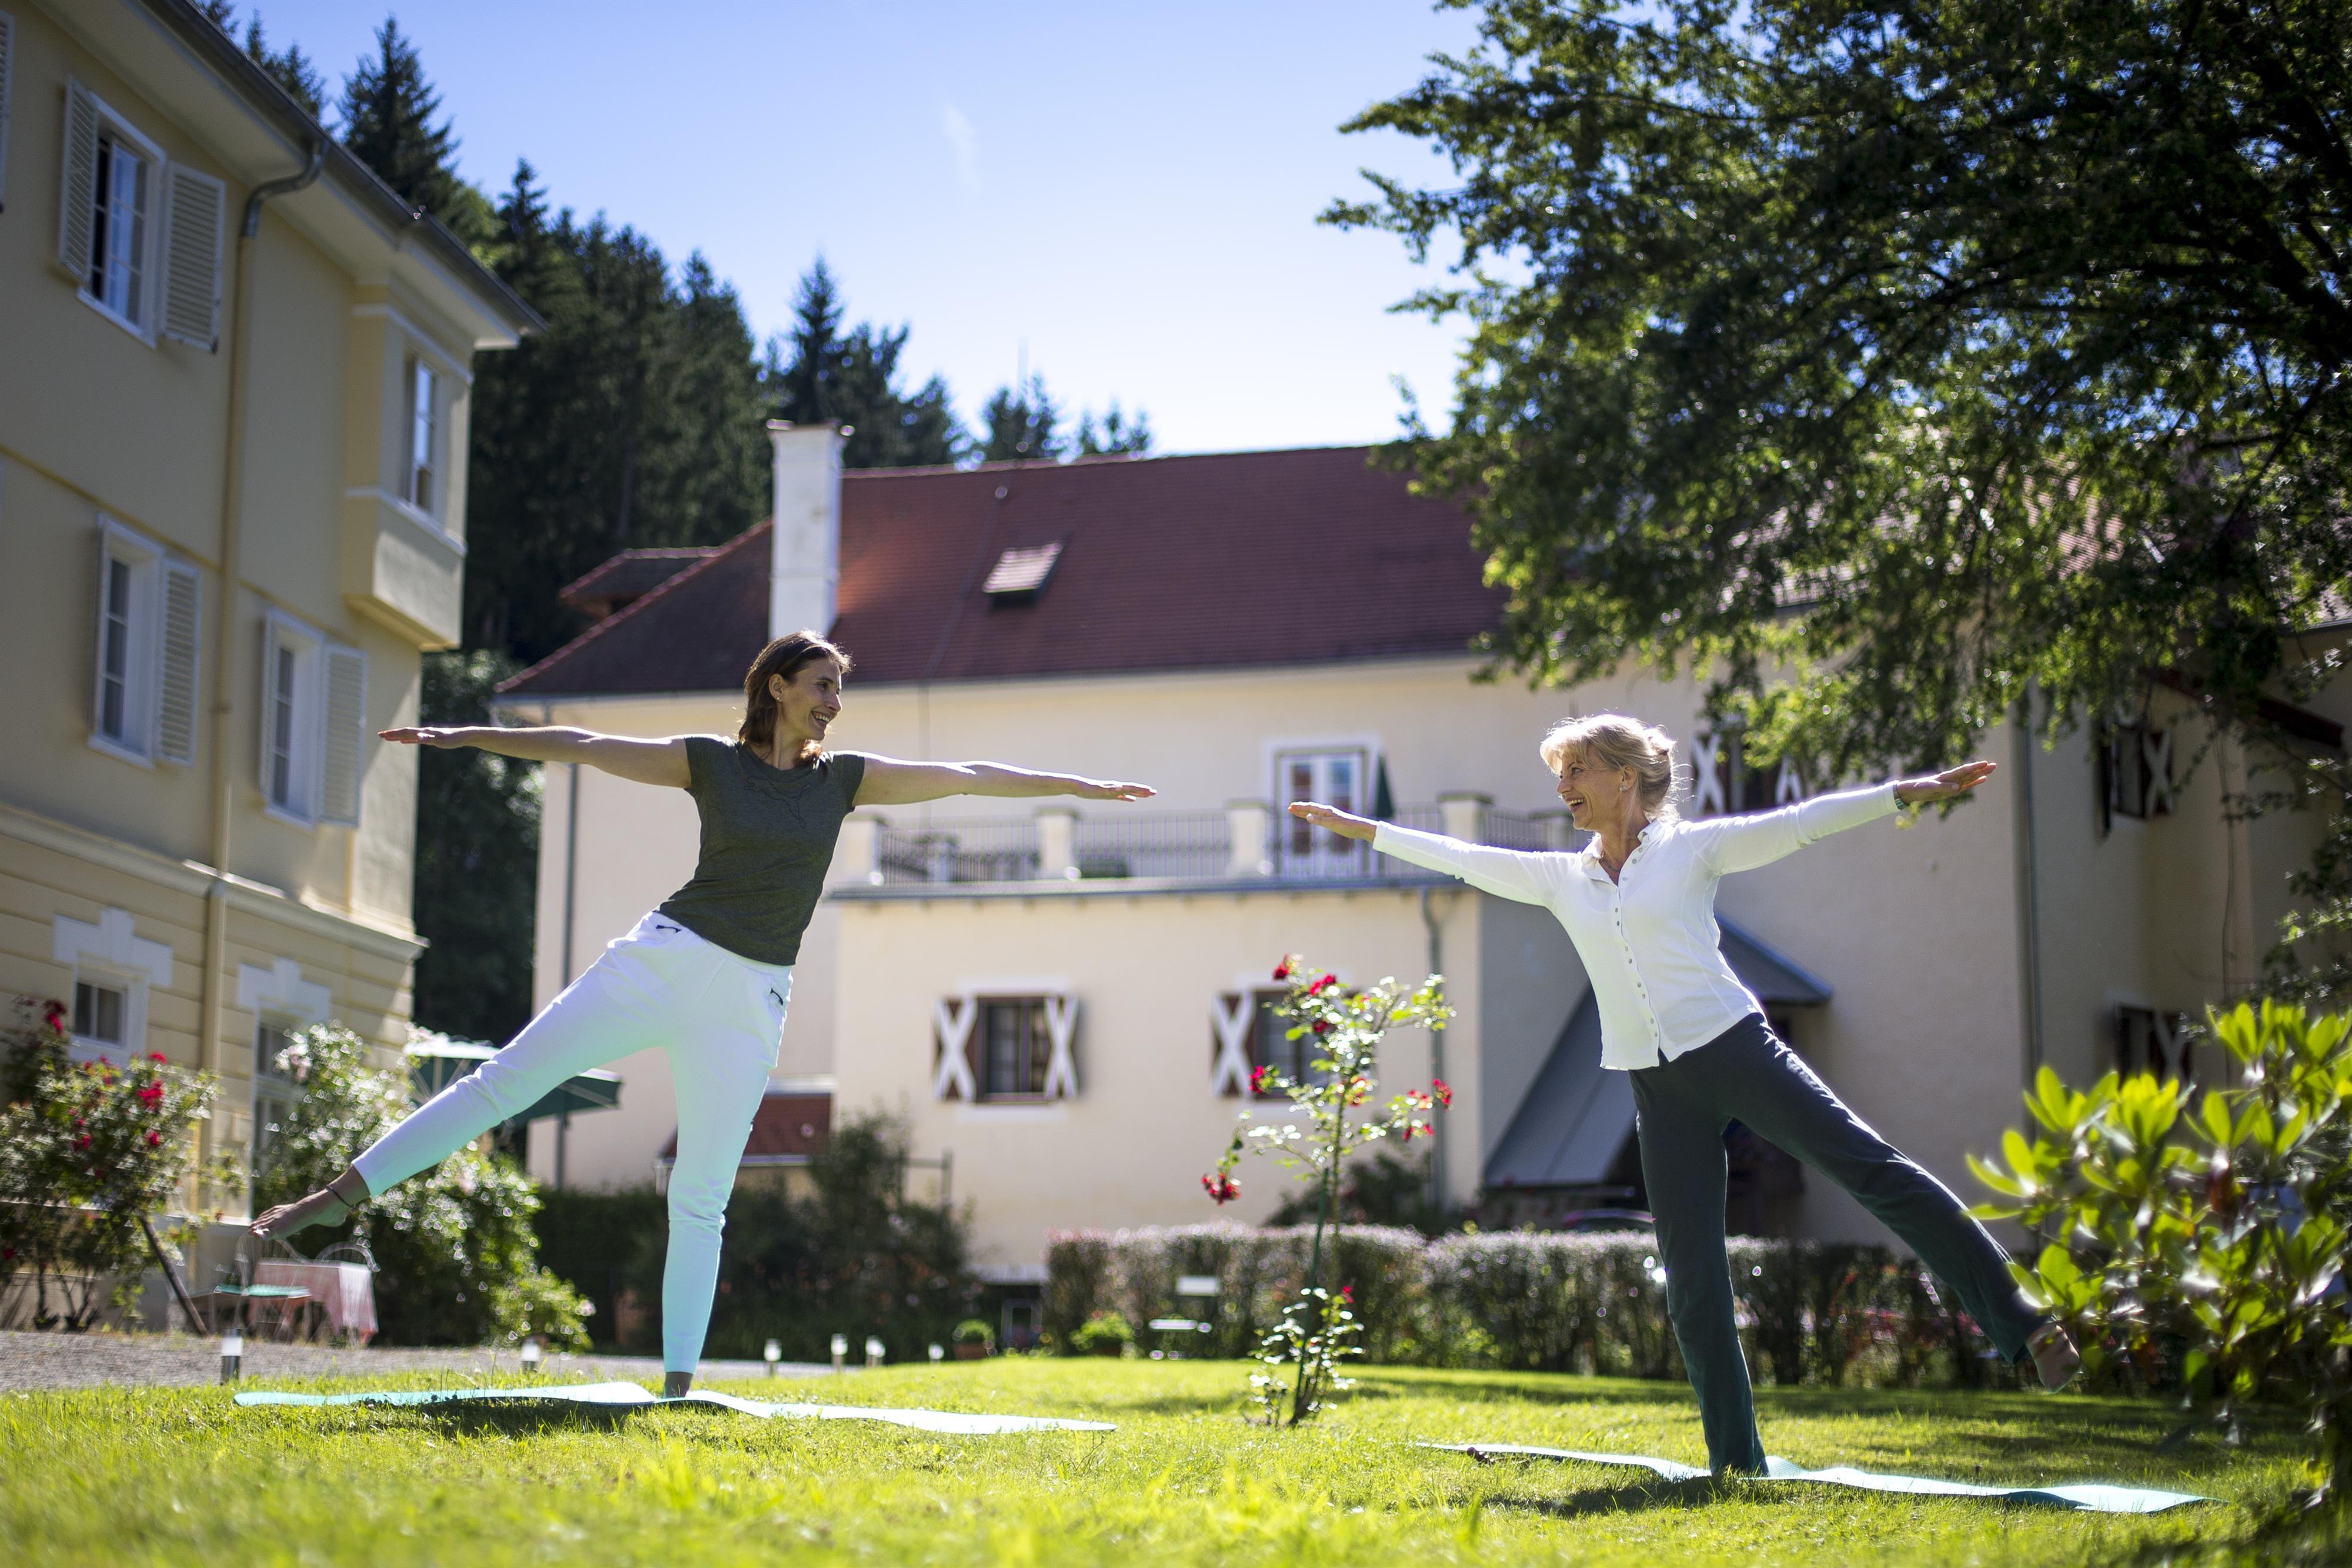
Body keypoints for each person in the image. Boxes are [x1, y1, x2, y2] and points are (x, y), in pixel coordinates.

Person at [252, 630, 1152, 1396]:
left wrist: (1080, 788)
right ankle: (331, 1202)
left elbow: (967, 776)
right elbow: (585, 745)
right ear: (777, 687)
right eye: (822, 686)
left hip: (751, 1000)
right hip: (663, 961)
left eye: (840, 690)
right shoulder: (710, 764)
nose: (834, 703)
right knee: (502, 1086)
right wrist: (464, 736)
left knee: (702, 1199)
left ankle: (678, 1387)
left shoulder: (843, 781)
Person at [1287, 713, 2079, 1475]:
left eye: (1577, 770)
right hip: (1656, 1085)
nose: (1563, 786)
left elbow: (1799, 824)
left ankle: (2029, 1327)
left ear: (1625, 777)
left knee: (1874, 1172)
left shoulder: (1692, 851)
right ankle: (1736, 1463)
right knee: (1693, 1282)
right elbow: (1463, 857)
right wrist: (1363, 830)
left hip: (1736, 1050)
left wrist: (1901, 793)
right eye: (1560, 773)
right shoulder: (1563, 880)